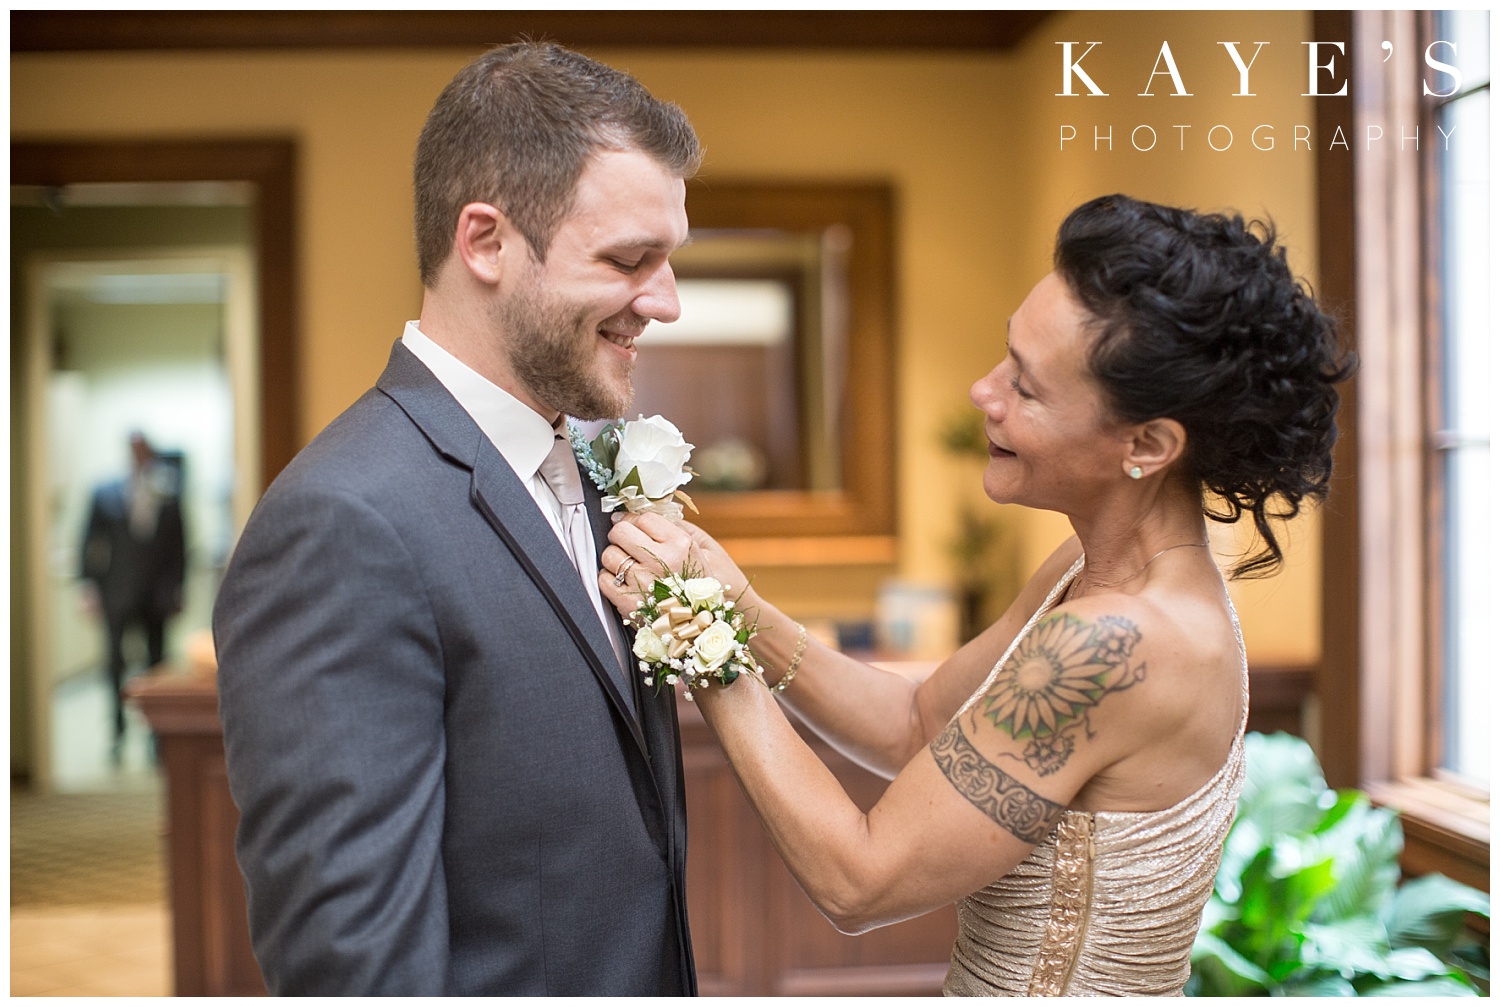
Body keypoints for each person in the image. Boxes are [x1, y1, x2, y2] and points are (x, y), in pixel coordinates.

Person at [600, 194, 1353, 996]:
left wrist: (695, 634)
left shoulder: (1113, 641)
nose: (981, 392)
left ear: (1148, 444)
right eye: (1006, 357)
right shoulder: (1091, 570)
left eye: (1025, 390)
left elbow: (861, 879)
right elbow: (918, 724)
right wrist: (742, 611)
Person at [214, 43, 700, 995]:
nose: (667, 302)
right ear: (485, 242)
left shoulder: (590, 468)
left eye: (669, 259)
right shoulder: (341, 523)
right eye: (629, 260)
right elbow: (356, 968)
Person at [81, 430, 185, 761]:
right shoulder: (105, 492)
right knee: (115, 663)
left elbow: (179, 546)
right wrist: (88, 587)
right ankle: (117, 732)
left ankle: (157, 736)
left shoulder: (168, 491)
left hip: (156, 595)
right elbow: (89, 541)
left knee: (157, 663)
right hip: (117, 592)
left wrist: (177, 587)